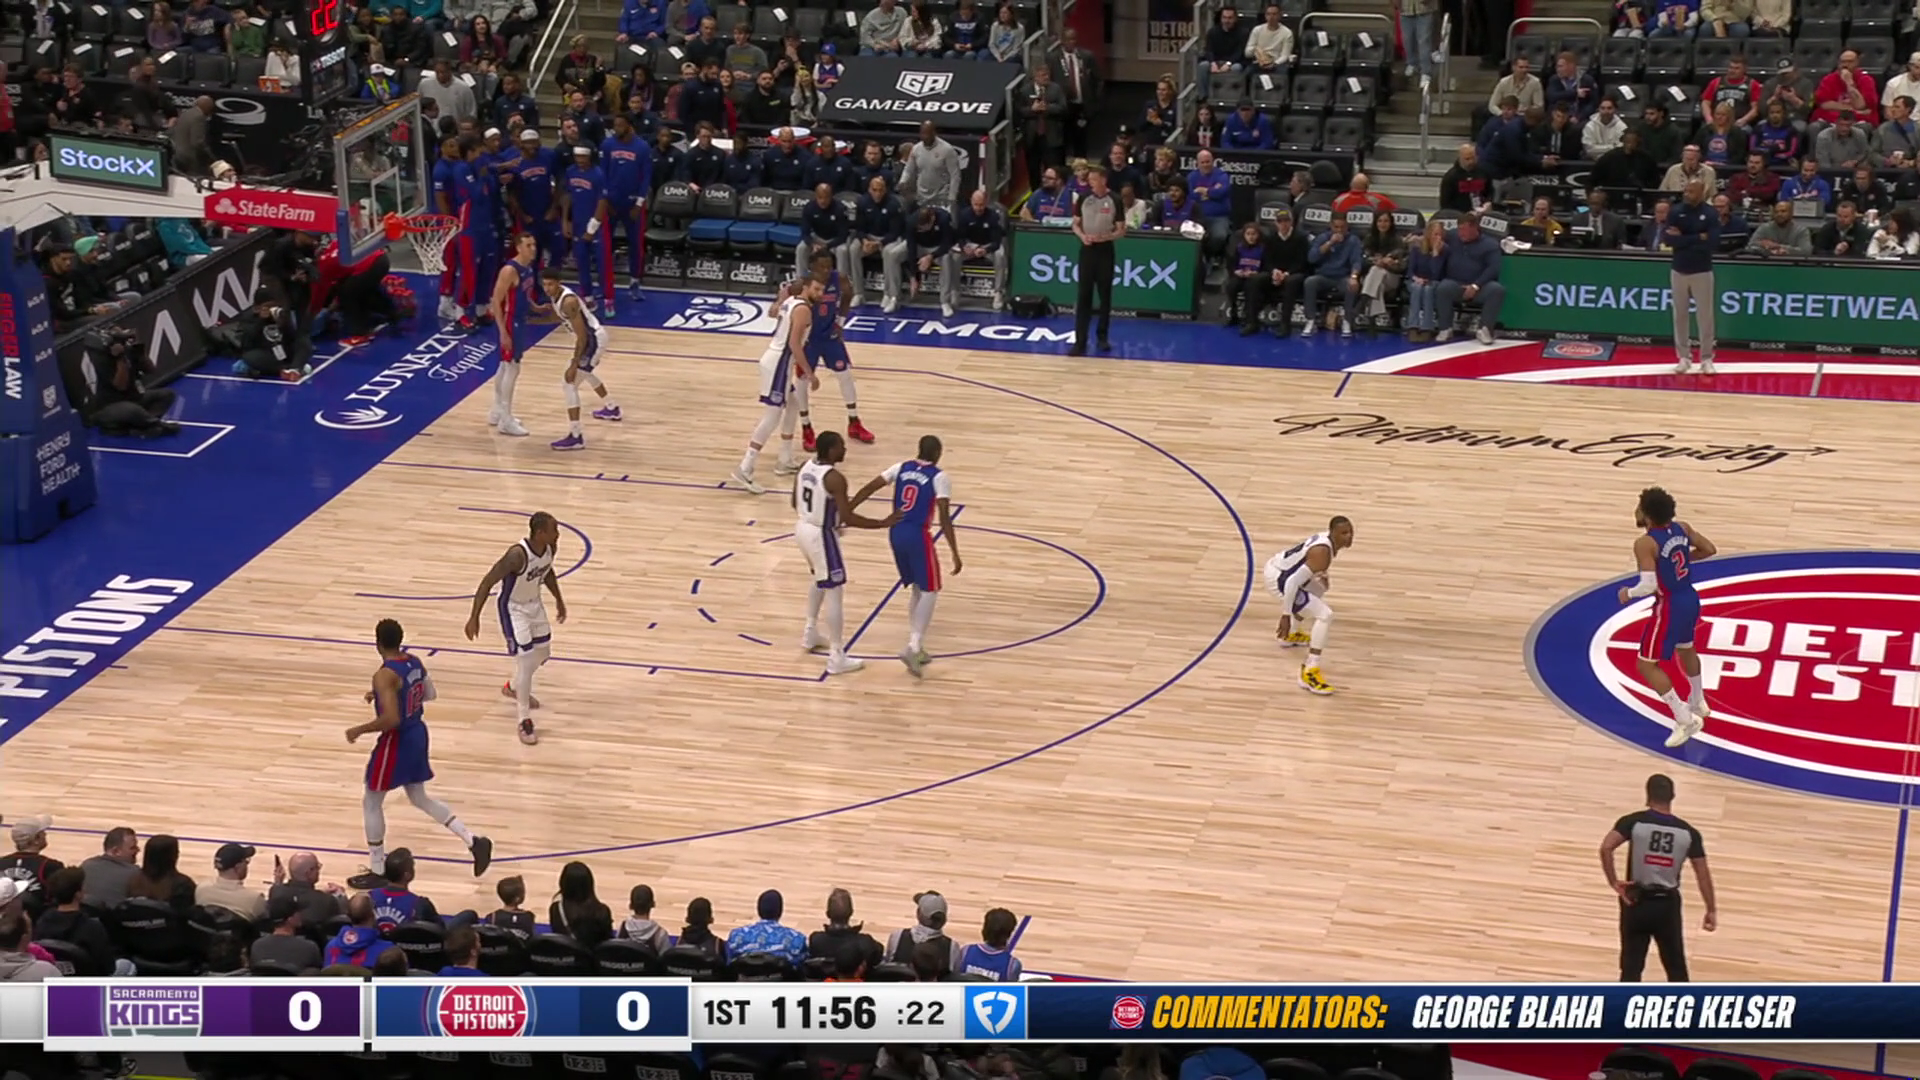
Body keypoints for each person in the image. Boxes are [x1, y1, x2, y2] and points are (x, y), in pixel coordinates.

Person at [346, 618, 493, 890]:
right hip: (418, 733)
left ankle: (378, 869)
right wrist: (384, 695)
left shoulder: (384, 675)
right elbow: (430, 694)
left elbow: (391, 719)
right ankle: (473, 841)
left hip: (397, 740)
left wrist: (359, 729)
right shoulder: (413, 661)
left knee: (371, 801)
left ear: (377, 643)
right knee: (419, 798)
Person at [848, 435, 962, 677]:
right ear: (938, 453)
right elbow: (944, 517)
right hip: (918, 536)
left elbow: (869, 487)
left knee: (918, 589)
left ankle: (916, 644)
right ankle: (914, 647)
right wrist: (954, 551)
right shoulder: (939, 477)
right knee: (931, 590)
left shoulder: (900, 467)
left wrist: (848, 510)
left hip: (895, 532)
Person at [1618, 487, 1717, 748]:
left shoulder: (1645, 543)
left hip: (1669, 606)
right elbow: (1709, 549)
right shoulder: (1682, 528)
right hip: (1690, 598)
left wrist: (1628, 593)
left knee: (1646, 665)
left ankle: (1685, 719)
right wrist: (1678, 562)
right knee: (1686, 648)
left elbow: (1648, 586)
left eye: (1639, 507)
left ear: (1647, 515)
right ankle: (1698, 700)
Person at [793, 431, 897, 676]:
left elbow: (794, 502)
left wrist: (821, 516)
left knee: (818, 579)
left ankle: (810, 633)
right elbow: (848, 517)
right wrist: (881, 523)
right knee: (835, 590)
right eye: (841, 446)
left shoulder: (804, 467)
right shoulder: (835, 478)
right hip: (820, 535)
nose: (845, 450)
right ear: (830, 450)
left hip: (802, 528)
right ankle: (836, 656)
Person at [463, 514, 568, 747]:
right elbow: (487, 582)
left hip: (534, 605)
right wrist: (474, 617)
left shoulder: (550, 547)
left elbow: (547, 571)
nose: (557, 534)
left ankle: (513, 687)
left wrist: (559, 599)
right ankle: (524, 720)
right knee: (526, 659)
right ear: (539, 533)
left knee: (543, 654)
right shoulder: (516, 555)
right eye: (554, 530)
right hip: (513, 609)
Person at [1600, 774, 1718, 982]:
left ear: (1648, 796)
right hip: (1667, 906)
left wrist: (1614, 883)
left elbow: (1606, 848)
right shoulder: (1688, 832)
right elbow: (1702, 873)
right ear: (1673, 796)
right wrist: (1710, 909)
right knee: (1676, 969)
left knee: (1631, 969)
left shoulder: (1633, 822)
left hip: (1635, 900)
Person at [732, 278, 816, 495]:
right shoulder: (803, 309)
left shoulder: (790, 301)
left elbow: (773, 311)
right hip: (779, 363)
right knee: (772, 417)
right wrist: (809, 373)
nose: (821, 293)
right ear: (805, 288)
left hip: (776, 359)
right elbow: (794, 344)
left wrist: (781, 297)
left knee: (794, 404)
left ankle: (784, 459)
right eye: (817, 289)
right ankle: (745, 467)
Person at [1263, 516, 1355, 696]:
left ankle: (1291, 635)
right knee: (1325, 615)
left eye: (1351, 532)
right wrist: (1286, 615)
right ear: (1333, 533)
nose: (1349, 536)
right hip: (1279, 580)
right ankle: (1310, 671)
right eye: (1344, 533)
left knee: (1319, 587)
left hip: (1278, 568)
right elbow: (1291, 582)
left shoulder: (1327, 542)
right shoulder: (1322, 553)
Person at [542, 268, 623, 452]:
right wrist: (532, 319)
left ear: (559, 283)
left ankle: (576, 436)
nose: (547, 288)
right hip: (591, 340)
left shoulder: (569, 301)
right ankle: (612, 408)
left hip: (592, 341)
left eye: (550, 284)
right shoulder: (556, 297)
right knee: (585, 374)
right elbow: (557, 316)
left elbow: (583, 337)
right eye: (544, 285)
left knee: (569, 382)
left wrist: (574, 363)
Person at [484, 232, 541, 438]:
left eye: (533, 244)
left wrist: (536, 307)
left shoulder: (528, 267)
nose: (532, 249)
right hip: (510, 321)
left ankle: (497, 411)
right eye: (528, 245)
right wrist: (503, 332)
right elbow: (495, 301)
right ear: (518, 247)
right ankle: (506, 420)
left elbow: (524, 295)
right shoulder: (510, 270)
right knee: (512, 367)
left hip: (520, 319)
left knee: (504, 365)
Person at [1666, 179, 1720, 375]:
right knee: (1679, 315)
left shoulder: (1711, 213)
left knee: (1705, 317)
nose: (1686, 194)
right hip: (1679, 269)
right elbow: (1669, 239)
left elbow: (1712, 242)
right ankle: (1683, 357)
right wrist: (1698, 237)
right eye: (1686, 190)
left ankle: (1706, 358)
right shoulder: (1675, 211)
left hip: (1702, 270)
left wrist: (1684, 238)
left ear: (1701, 192)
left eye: (1691, 191)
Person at [1069, 166, 1122, 357]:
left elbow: (1121, 229)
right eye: (1089, 179)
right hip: (1087, 250)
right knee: (1084, 295)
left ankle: (1102, 337)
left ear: (1103, 180)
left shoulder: (1115, 199)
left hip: (1105, 250)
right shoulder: (1083, 198)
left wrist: (1107, 237)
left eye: (1093, 179)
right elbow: (1075, 224)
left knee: (1104, 295)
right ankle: (1080, 341)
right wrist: (1082, 236)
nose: (1090, 183)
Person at [600, 112, 651, 304]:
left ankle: (635, 282)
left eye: (620, 125)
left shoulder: (642, 147)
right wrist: (605, 201)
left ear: (629, 125)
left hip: (632, 203)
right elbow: (602, 174)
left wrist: (639, 203)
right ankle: (605, 284)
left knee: (635, 244)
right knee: (605, 244)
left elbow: (646, 177)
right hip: (611, 202)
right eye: (615, 125)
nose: (617, 129)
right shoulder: (607, 145)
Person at [560, 145, 612, 324]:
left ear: (589, 157)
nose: (579, 160)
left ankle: (608, 300)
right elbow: (566, 197)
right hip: (577, 223)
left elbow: (603, 201)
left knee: (603, 265)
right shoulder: (570, 172)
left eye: (583, 157)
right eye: (577, 157)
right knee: (582, 263)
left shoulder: (598, 174)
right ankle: (588, 298)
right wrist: (565, 220)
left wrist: (592, 227)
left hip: (596, 225)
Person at [1300, 211, 1363, 338]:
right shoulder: (1322, 238)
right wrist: (1329, 243)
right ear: (1331, 226)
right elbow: (1311, 258)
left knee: (1351, 285)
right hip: (1324, 276)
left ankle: (1347, 321)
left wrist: (1354, 277)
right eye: (1336, 227)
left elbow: (1357, 261)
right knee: (1310, 282)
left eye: (1342, 227)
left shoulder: (1353, 240)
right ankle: (1311, 320)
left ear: (1347, 227)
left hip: (1343, 277)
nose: (1339, 230)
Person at [1403, 219, 1447, 342]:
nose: (1438, 238)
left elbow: (1436, 274)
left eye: (1440, 234)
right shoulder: (1417, 249)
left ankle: (1427, 328)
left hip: (1435, 282)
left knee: (1428, 289)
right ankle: (1413, 327)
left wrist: (1435, 254)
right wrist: (1416, 278)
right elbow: (1410, 271)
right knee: (1417, 288)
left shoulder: (1445, 250)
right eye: (1435, 234)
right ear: (1428, 234)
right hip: (1415, 281)